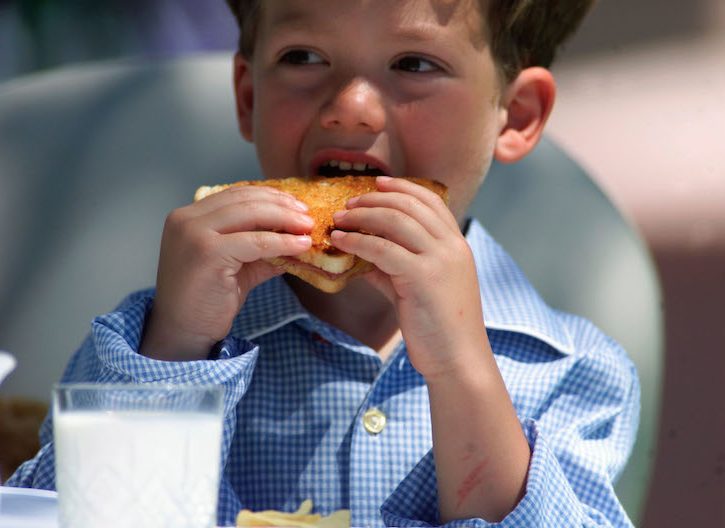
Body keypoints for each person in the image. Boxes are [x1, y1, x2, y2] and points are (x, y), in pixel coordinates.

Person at [8, 1, 640, 526]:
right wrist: (177, 346)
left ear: (517, 115)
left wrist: (460, 368)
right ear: (249, 97)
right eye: (303, 57)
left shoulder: (573, 374)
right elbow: (68, 511)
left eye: (414, 63)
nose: (351, 106)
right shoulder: (155, 341)